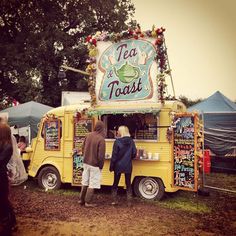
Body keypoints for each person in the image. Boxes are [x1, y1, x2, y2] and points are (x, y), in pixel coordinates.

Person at [79, 120, 106, 207]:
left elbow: (82, 148)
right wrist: (101, 166)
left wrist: (85, 157)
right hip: (95, 165)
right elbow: (101, 156)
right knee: (92, 183)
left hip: (86, 162)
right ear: (102, 128)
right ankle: (88, 202)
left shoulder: (88, 135)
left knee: (85, 181)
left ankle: (81, 200)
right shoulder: (101, 139)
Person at [109, 126, 137, 206]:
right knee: (128, 183)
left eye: (118, 131)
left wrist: (111, 166)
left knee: (115, 183)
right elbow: (134, 153)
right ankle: (129, 202)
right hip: (128, 165)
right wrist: (129, 158)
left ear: (121, 132)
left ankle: (114, 201)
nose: (117, 132)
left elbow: (114, 156)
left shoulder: (117, 142)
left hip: (118, 166)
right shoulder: (131, 141)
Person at [0, 123, 17, 235]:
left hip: (1, 178)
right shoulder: (2, 145)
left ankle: (8, 226)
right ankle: (11, 222)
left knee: (3, 201)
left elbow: (1, 160)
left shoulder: (8, 147)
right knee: (3, 201)